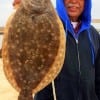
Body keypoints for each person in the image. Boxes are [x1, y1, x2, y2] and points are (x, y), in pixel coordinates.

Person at [12, 0, 100, 100]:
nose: (74, 1)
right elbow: (25, 38)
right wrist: (23, 7)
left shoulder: (93, 34)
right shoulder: (45, 27)